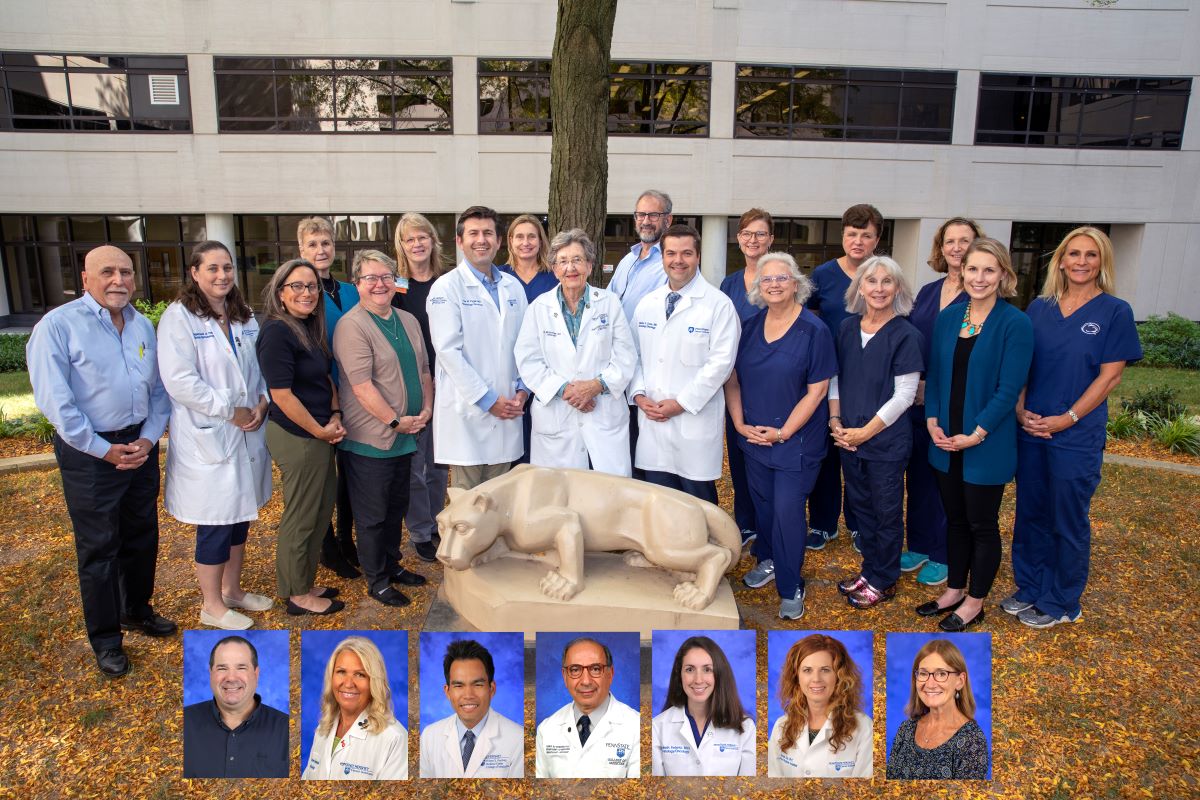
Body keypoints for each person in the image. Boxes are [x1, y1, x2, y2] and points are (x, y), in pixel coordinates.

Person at [28, 244, 175, 678]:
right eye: (108, 271)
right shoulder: (57, 327)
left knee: (142, 535)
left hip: (140, 446)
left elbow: (158, 392)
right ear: (85, 277)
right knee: (98, 549)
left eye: (126, 272)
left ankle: (137, 609)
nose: (119, 280)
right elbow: (57, 402)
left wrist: (149, 440)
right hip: (90, 454)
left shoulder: (142, 326)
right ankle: (107, 638)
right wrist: (102, 449)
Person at [1008, 227, 1142, 629]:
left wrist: (1067, 419)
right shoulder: (1039, 308)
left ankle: (1063, 600)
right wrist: (1020, 411)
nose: (1082, 262)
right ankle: (1030, 586)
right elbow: (1022, 367)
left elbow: (1109, 378)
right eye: (1074, 254)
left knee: (1066, 517)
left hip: (1075, 435)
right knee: (1030, 511)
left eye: (1091, 255)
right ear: (1061, 260)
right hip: (1032, 428)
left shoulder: (1114, 311)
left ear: (1102, 262)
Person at [918, 238, 1033, 632]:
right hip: (945, 441)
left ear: (1004, 274)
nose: (979, 278)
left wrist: (977, 433)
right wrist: (932, 420)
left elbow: (1008, 389)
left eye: (989, 270)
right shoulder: (950, 318)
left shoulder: (1015, 323)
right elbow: (934, 375)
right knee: (954, 520)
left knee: (981, 524)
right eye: (972, 269)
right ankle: (953, 589)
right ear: (961, 271)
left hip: (986, 444)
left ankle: (975, 600)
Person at [157, 241, 272, 631]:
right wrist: (230, 409)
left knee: (240, 519)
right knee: (215, 524)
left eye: (227, 268)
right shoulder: (179, 318)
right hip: (211, 435)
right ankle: (211, 604)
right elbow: (180, 382)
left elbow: (260, 367)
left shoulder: (242, 314)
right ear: (194, 272)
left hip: (246, 430)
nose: (222, 275)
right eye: (213, 268)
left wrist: (261, 402)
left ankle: (232, 591)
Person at [727, 253, 836, 620]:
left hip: (795, 442)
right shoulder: (749, 326)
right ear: (758, 287)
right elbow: (733, 380)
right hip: (754, 438)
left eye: (782, 278)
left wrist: (784, 432)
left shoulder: (814, 330)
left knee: (788, 512)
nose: (774, 284)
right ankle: (769, 559)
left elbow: (817, 390)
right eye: (767, 279)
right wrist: (740, 424)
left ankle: (791, 586)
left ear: (796, 284)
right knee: (764, 508)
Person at [332, 250, 432, 608]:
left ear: (396, 281)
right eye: (370, 278)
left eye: (386, 276)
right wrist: (394, 420)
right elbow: (361, 387)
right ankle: (377, 579)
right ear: (357, 284)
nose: (379, 284)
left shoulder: (407, 320)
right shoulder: (352, 325)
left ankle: (392, 564)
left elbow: (423, 369)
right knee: (372, 514)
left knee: (395, 507)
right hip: (371, 438)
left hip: (407, 433)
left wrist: (426, 410)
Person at [831, 256, 923, 610]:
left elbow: (905, 395)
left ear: (897, 289)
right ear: (860, 288)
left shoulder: (906, 335)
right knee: (861, 509)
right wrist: (835, 422)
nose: (879, 289)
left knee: (885, 512)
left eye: (887, 282)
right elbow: (835, 379)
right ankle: (869, 571)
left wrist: (864, 433)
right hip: (848, 438)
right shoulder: (846, 329)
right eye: (872, 281)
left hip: (884, 442)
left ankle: (884, 579)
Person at [256, 259, 346, 617]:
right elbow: (282, 395)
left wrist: (336, 415)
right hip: (299, 436)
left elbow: (324, 379)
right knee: (302, 516)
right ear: (281, 293)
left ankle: (304, 580)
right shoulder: (277, 332)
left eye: (311, 286)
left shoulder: (309, 328)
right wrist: (320, 430)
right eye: (297, 286)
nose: (307, 293)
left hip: (320, 433)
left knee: (321, 510)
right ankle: (296, 594)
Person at [628, 223, 740, 502]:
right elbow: (632, 355)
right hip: (653, 421)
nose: (678, 261)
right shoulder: (647, 304)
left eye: (687, 253)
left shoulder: (719, 305)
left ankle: (708, 546)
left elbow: (721, 365)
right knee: (658, 502)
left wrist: (681, 403)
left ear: (698, 257)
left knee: (698, 502)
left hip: (694, 423)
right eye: (671, 253)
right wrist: (639, 395)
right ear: (663, 257)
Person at [514, 228, 637, 475]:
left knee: (607, 497)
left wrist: (595, 385)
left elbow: (625, 356)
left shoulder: (609, 303)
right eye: (563, 261)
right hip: (557, 418)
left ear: (590, 266)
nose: (570, 268)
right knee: (558, 501)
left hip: (602, 415)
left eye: (577, 260)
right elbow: (528, 360)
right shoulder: (538, 308)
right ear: (555, 269)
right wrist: (566, 390)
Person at [903, 218, 984, 587]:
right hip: (919, 399)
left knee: (947, 479)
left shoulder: (983, 295)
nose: (956, 248)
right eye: (949, 241)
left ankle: (943, 553)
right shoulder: (928, 291)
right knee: (918, 475)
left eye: (964, 241)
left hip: (959, 399)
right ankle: (918, 545)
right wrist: (916, 383)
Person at [427, 206, 528, 489]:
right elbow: (448, 352)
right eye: (473, 233)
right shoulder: (446, 288)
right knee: (469, 511)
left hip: (508, 410)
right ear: (460, 241)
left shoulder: (513, 287)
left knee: (499, 507)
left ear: (498, 241)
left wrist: (522, 390)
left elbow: (525, 345)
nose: (481, 239)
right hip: (468, 416)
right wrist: (488, 400)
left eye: (488, 233)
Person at [805, 204, 883, 552]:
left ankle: (859, 523)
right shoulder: (822, 275)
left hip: (868, 381)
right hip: (826, 378)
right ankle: (822, 524)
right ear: (843, 236)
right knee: (826, 454)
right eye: (852, 234)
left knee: (861, 454)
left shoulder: (883, 276)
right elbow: (807, 322)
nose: (858, 241)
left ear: (876, 239)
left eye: (866, 235)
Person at [297, 215, 361, 580]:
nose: (320, 250)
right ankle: (328, 549)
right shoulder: (302, 293)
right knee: (323, 479)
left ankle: (347, 539)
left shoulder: (350, 291)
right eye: (312, 245)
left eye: (325, 243)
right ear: (301, 250)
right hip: (319, 398)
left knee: (350, 476)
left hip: (354, 394)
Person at [391, 212, 450, 563]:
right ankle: (419, 531)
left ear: (432, 241)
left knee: (440, 462)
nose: (417, 244)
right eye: (409, 239)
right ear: (401, 245)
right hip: (411, 386)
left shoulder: (447, 282)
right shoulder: (397, 287)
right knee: (415, 464)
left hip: (446, 382)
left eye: (422, 237)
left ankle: (437, 522)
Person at [608, 189, 673, 477]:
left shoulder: (669, 262)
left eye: (653, 215)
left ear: (667, 220)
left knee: (649, 455)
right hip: (619, 367)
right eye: (641, 214)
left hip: (649, 370)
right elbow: (610, 306)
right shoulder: (627, 260)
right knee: (626, 450)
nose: (646, 221)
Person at [719, 208, 775, 545]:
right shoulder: (728, 283)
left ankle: (770, 528)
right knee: (739, 454)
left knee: (764, 456)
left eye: (760, 234)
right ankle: (746, 523)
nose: (753, 240)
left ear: (771, 239)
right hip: (735, 381)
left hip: (770, 383)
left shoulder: (778, 279)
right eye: (747, 234)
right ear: (739, 239)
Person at [302, 636, 408, 780]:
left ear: (374, 682)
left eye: (360, 674)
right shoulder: (322, 729)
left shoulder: (394, 738)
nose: (348, 683)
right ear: (331, 677)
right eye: (341, 672)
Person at [768, 634, 872, 778]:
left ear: (839, 676)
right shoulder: (781, 727)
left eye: (825, 670)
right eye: (807, 670)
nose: (816, 679)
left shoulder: (864, 728)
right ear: (796, 677)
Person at [183, 635, 288, 778]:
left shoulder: (287, 730)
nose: (231, 677)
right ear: (210, 673)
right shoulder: (183, 722)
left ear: (256, 674)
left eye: (241, 667)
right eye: (222, 668)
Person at [499, 214, 558, 466]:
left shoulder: (554, 278)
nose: (526, 242)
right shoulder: (498, 277)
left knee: (543, 443)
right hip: (507, 368)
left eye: (532, 236)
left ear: (541, 241)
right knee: (511, 441)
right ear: (510, 241)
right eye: (519, 236)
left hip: (547, 369)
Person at [535, 637, 640, 778]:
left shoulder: (637, 727)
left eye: (596, 669)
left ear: (610, 674)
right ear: (565, 676)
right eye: (575, 670)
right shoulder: (546, 730)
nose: (585, 681)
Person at [420, 639, 524, 778]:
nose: (468, 695)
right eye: (458, 685)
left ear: (491, 689)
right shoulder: (429, 736)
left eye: (477, 684)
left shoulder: (518, 739)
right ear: (447, 692)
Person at [886, 638, 989, 779]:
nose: (930, 684)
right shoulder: (906, 729)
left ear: (960, 681)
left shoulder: (972, 740)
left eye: (941, 674)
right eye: (923, 674)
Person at [651, 636, 754, 776]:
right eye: (689, 670)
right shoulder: (658, 727)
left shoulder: (746, 728)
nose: (698, 680)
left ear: (719, 674)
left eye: (707, 670)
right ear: (679, 675)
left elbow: (748, 792)